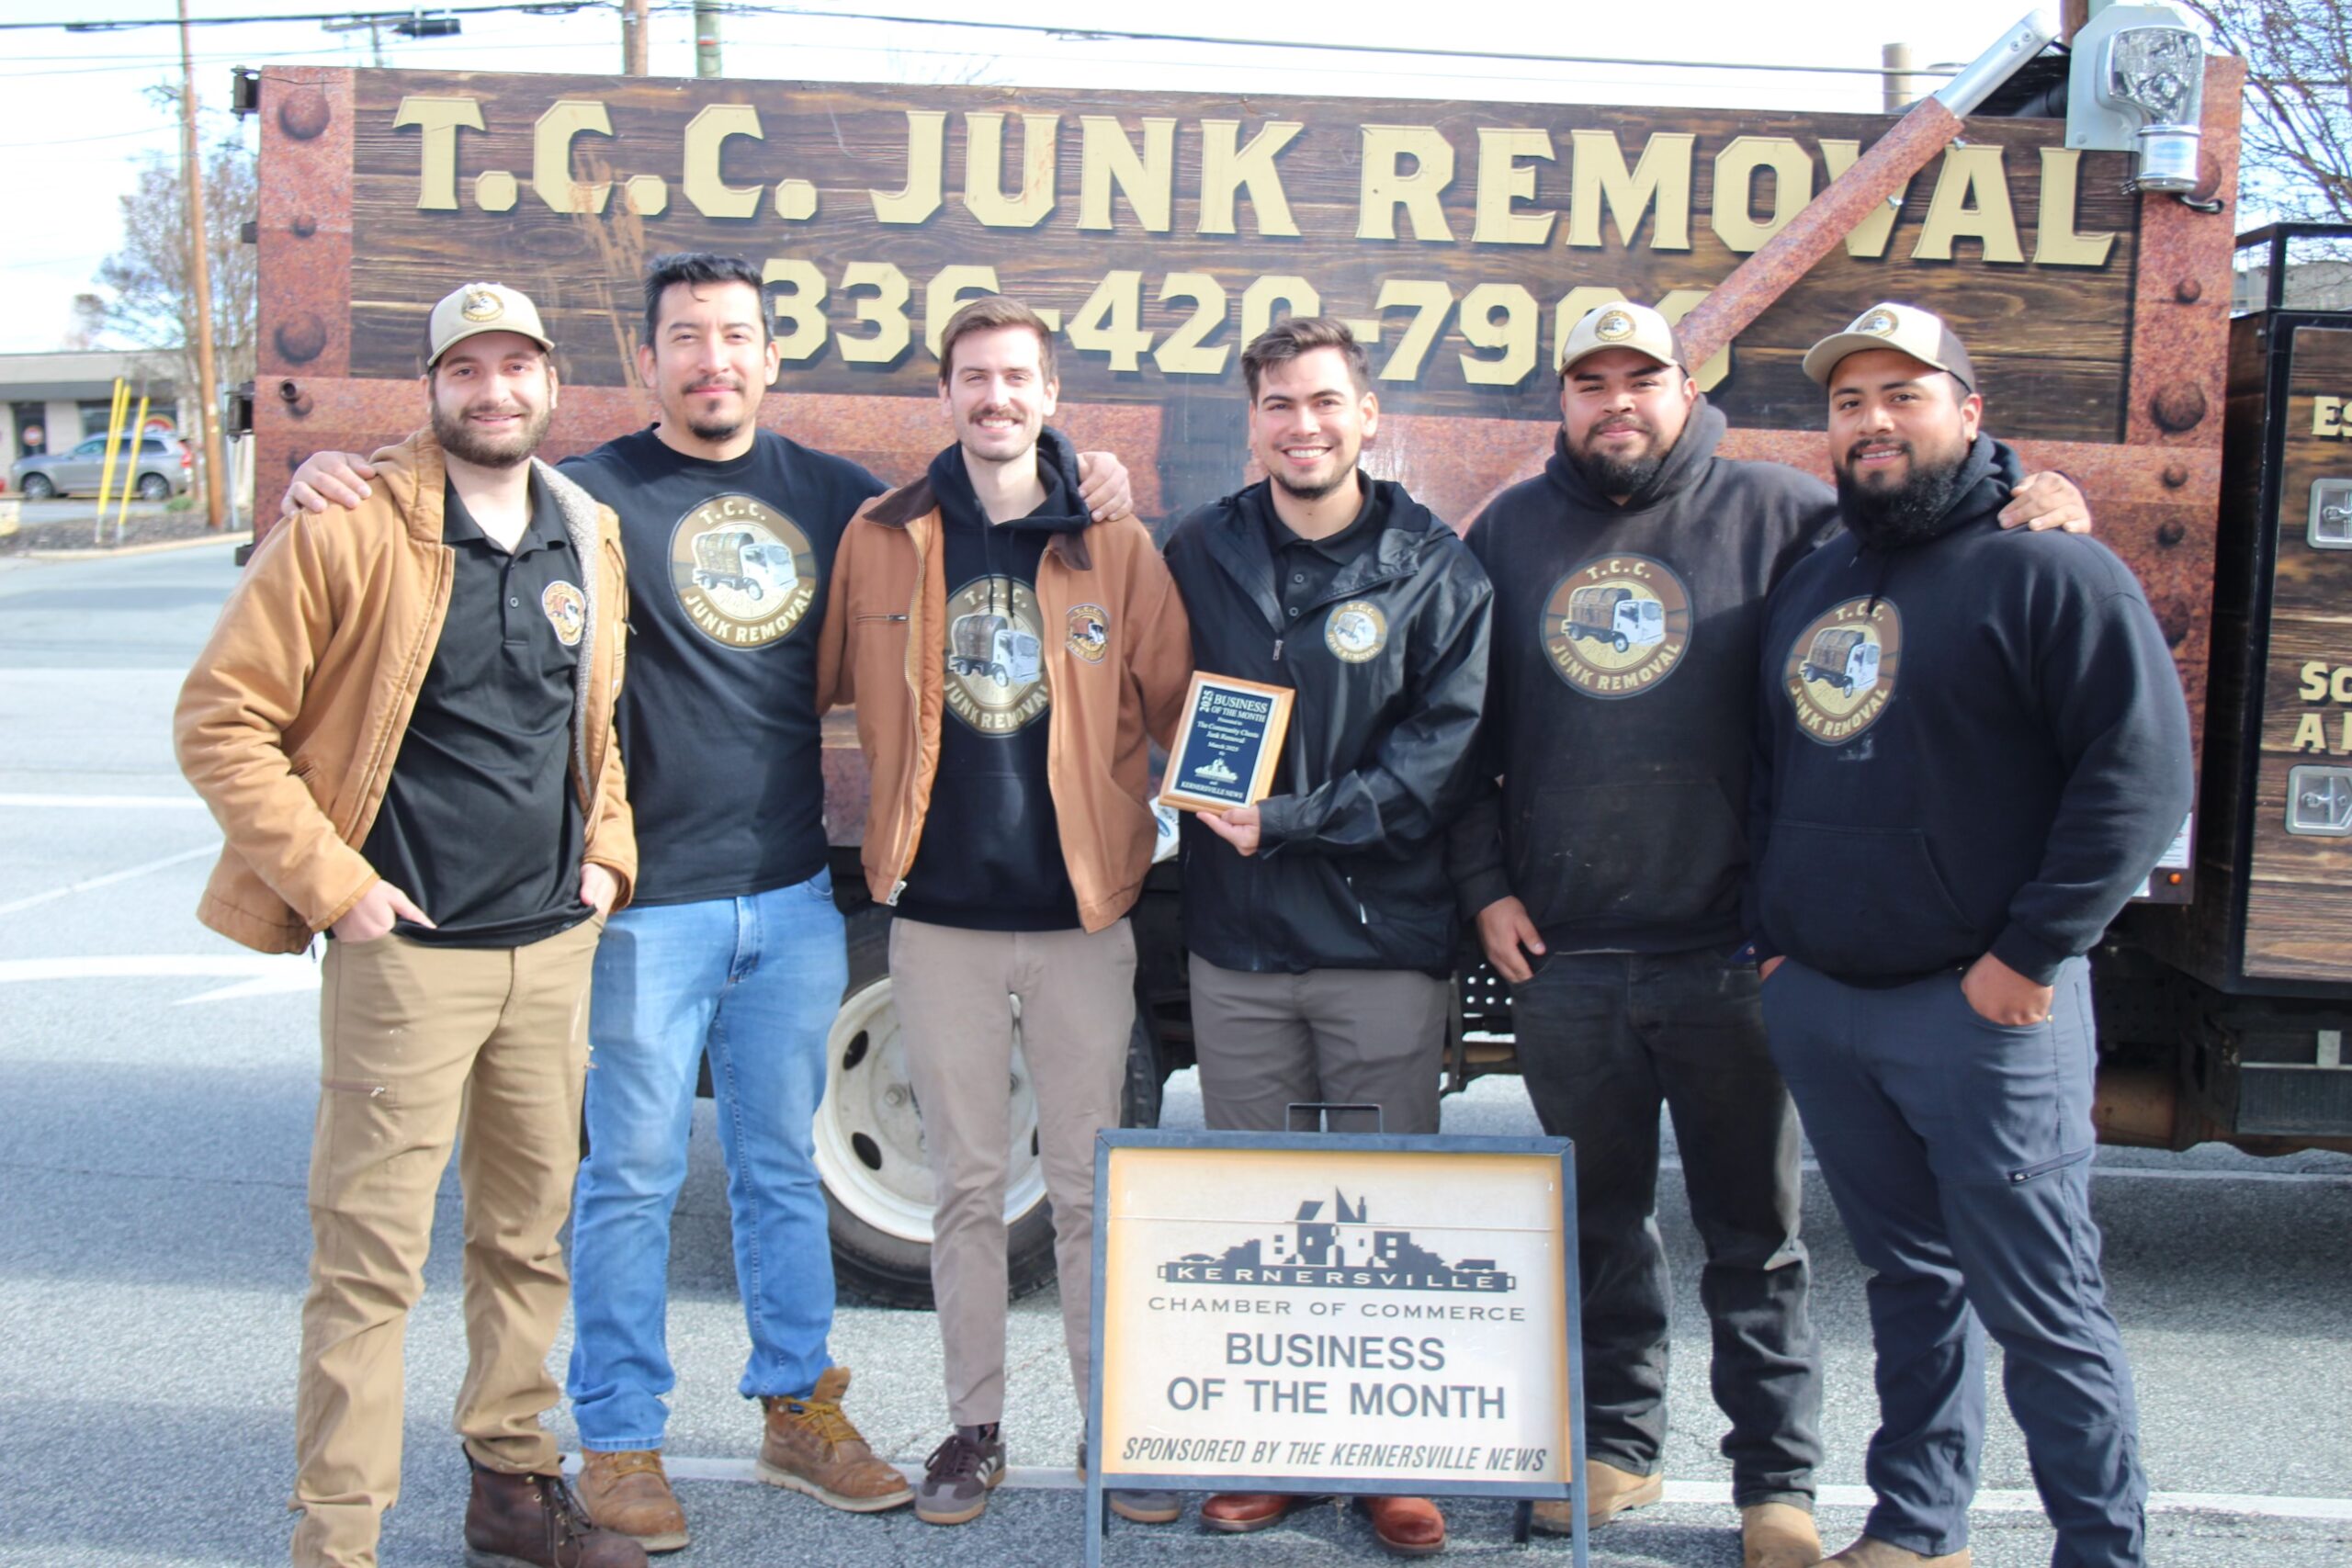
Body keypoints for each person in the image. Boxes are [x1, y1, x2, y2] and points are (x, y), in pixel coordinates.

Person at [277, 254, 1135, 1553]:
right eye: (687, 338)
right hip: (636, 905)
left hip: (791, 892)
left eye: (736, 336)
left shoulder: (843, 503)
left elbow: (985, 513)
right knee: (626, 1177)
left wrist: (1091, 473)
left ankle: (798, 1407)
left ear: (769, 358)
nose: (713, 359)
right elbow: (457, 469)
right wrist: (324, 470)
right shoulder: (588, 495)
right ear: (649, 361)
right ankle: (621, 1438)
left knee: (782, 1168)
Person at [1447, 302, 2092, 1568]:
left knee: (1756, 1240)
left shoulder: (1788, 517)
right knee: (1599, 1225)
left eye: (1644, 378)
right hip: (1565, 953)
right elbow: (1463, 731)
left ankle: (1774, 1489)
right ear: (1562, 400)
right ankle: (1619, 1448)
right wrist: (1486, 886)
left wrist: (2038, 495)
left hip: (1736, 954)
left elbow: (1935, 535)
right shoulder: (1510, 530)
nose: (1617, 401)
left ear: (1690, 390)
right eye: (1592, 381)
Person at [176, 282, 644, 1568]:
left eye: (516, 368)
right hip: (407, 959)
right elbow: (220, 721)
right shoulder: (346, 527)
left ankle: (511, 1488)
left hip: (551, 951)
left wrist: (607, 855)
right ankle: (337, 1539)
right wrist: (339, 888)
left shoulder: (586, 527)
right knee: (371, 1264)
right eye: (466, 370)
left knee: (526, 1242)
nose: (493, 391)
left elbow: (593, 721)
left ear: (552, 384)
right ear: (430, 389)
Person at [1749, 302, 2193, 1568]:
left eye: (1905, 394)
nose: (1874, 421)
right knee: (1911, 1287)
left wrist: (2027, 956)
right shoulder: (1821, 570)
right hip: (1827, 999)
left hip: (1984, 1011)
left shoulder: (2052, 567)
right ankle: (1917, 1527)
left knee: (2045, 1311)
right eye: (1849, 402)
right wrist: (1773, 944)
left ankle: (2102, 1551)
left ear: (1968, 411)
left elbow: (2141, 778)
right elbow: (1778, 766)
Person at [815, 295, 1192, 1527]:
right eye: (974, 377)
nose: (996, 398)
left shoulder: (1114, 544)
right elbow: (811, 679)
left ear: (1048, 390)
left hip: (1081, 917)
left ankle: (1109, 1431)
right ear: (947, 395)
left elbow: (1179, 700)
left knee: (1087, 1188)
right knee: (968, 1189)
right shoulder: (884, 537)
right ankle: (973, 1430)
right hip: (937, 918)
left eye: (1017, 377)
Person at [1159, 316, 1492, 1559]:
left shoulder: (1432, 565)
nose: (1303, 425)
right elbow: (1139, 676)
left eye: (1325, 402)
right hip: (1239, 948)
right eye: (1279, 405)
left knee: (1379, 1204)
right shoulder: (1199, 549)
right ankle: (1273, 1450)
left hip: (1376, 946)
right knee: (1260, 1206)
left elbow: (1438, 766)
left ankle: (1388, 1460)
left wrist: (1286, 818)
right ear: (1253, 422)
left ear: (1367, 415)